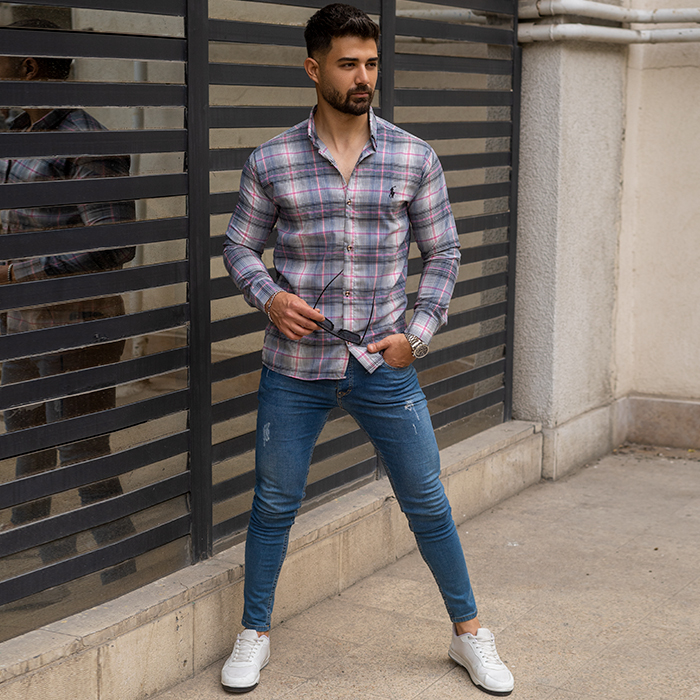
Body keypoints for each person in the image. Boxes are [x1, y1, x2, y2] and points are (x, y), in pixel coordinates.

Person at [221, 4, 514, 695]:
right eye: (348, 63)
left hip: (384, 365)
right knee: (274, 503)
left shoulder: (414, 157)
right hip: (296, 369)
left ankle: (469, 634)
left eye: (372, 64)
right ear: (313, 68)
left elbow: (444, 252)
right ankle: (254, 633)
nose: (363, 77)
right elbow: (238, 245)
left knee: (427, 502)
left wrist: (419, 334)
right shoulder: (272, 160)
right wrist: (268, 296)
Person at [0, 19, 137, 585]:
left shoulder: (85, 141)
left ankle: (119, 568)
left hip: (78, 325)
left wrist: (17, 270)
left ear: (28, 67)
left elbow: (113, 244)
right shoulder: (14, 131)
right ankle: (39, 568)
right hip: (21, 322)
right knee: (29, 443)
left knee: (81, 449)